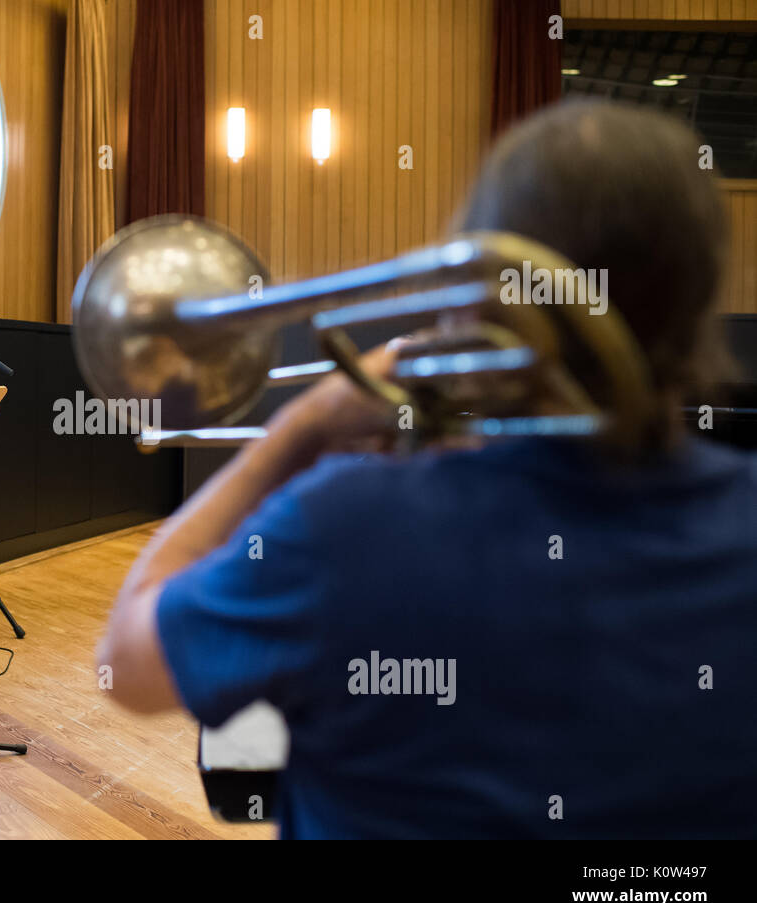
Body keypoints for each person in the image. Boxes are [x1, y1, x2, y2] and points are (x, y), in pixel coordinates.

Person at [98, 99, 757, 838]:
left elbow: (127, 663)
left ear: (479, 290)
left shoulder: (345, 522)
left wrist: (301, 428)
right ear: (703, 299)